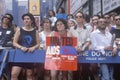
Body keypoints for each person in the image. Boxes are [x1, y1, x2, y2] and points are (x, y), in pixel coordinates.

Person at [11, 13, 40, 80]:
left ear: (31, 20)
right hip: (20, 54)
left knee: (29, 74)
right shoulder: (19, 30)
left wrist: (34, 47)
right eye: (24, 19)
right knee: (14, 74)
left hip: (30, 54)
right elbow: (14, 43)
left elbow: (38, 44)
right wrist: (21, 47)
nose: (26, 20)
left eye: (28, 19)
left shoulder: (35, 32)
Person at [70, 11, 91, 80]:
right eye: (77, 17)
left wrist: (83, 47)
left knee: (85, 71)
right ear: (75, 19)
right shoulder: (71, 29)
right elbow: (70, 41)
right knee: (75, 72)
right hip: (75, 52)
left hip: (85, 52)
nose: (78, 18)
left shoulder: (88, 28)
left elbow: (89, 40)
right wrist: (75, 47)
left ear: (83, 18)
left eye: (80, 16)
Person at [110, 14, 120, 80]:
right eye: (116, 19)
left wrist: (118, 44)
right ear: (114, 21)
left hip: (117, 49)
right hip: (116, 55)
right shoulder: (111, 31)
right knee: (116, 74)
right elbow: (111, 42)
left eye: (119, 19)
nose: (118, 20)